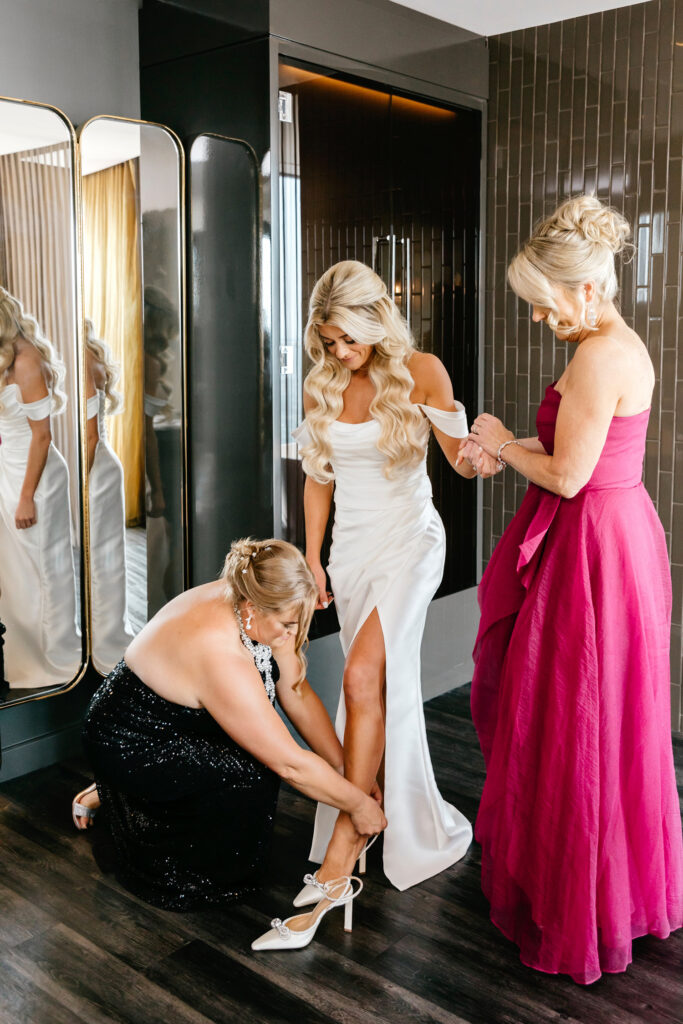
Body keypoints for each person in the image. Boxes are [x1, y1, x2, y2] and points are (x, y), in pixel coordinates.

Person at [462, 195, 683, 984]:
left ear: (583, 289)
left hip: (593, 546)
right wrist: (500, 446)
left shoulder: (600, 354)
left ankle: (584, 900)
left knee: (580, 715)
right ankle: (601, 883)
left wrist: (498, 443)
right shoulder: (606, 341)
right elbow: (567, 445)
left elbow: (566, 472)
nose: (537, 318)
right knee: (594, 714)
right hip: (605, 533)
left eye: (542, 303)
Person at [290, 260, 491, 904]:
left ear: (377, 320)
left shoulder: (421, 370)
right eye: (329, 342)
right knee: (381, 683)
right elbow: (319, 475)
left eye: (350, 338)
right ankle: (384, 806)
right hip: (351, 551)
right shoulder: (323, 385)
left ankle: (349, 836)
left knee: (357, 677)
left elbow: (461, 466)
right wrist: (314, 556)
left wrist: (487, 442)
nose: (340, 353)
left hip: (409, 542)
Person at [74, 537, 386, 924]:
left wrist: (346, 772)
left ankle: (116, 792)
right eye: (288, 625)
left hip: (176, 715)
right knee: (250, 770)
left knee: (253, 746)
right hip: (129, 739)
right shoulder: (219, 652)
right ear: (253, 608)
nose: (292, 635)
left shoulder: (258, 593)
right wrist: (359, 806)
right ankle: (128, 800)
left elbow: (297, 691)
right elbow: (290, 765)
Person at [0, 287, 80, 688]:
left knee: (41, 567)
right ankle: (22, 656)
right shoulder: (5, 357)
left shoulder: (25, 359)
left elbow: (42, 437)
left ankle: (51, 657)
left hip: (35, 474)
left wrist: (26, 495)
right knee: (15, 570)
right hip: (9, 468)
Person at [84, 318, 134, 673]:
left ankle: (103, 643)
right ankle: (105, 635)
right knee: (106, 556)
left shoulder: (82, 361)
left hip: (95, 467)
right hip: (104, 463)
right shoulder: (90, 356)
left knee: (101, 557)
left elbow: (88, 437)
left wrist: (82, 482)